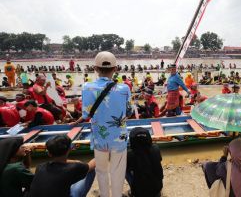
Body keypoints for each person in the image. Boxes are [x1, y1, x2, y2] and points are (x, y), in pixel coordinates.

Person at [72, 51, 131, 197]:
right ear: (115, 69)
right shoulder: (124, 88)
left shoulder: (87, 87)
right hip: (119, 138)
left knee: (101, 170)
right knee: (117, 171)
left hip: (99, 138)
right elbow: (129, 112)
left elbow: (86, 114)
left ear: (95, 69)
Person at [29, 135, 96, 197]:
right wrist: (103, 152)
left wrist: (76, 162)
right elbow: (92, 164)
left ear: (49, 153)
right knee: (91, 171)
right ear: (69, 149)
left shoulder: (40, 167)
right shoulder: (75, 168)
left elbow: (60, 161)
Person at [127, 127, 163, 197]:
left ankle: (133, 191)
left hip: (139, 193)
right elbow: (159, 160)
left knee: (125, 170)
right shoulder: (156, 148)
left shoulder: (130, 154)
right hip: (157, 190)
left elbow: (128, 168)